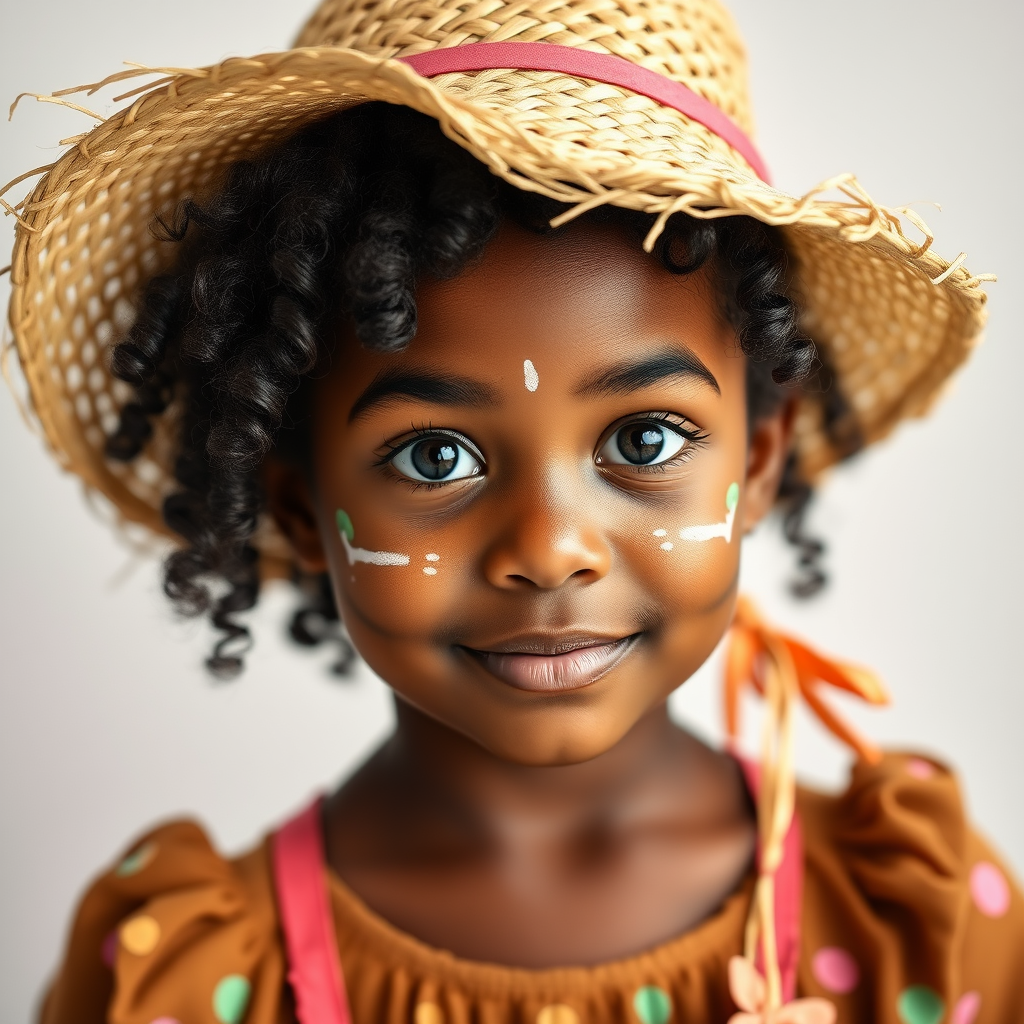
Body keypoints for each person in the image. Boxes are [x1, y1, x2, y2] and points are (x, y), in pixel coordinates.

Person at [3, 0, 1020, 1021]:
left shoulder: (916, 923)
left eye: (644, 440)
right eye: (434, 455)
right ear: (302, 504)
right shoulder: (169, 981)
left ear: (755, 462)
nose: (549, 550)